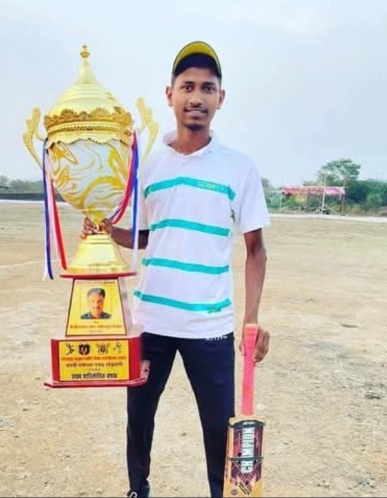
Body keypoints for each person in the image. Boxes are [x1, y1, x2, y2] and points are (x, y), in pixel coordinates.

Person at [82, 40, 270, 498]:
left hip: (210, 325)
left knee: (218, 426)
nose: (197, 97)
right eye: (188, 86)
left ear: (221, 98)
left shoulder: (239, 169)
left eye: (207, 88)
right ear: (170, 95)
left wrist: (251, 319)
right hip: (151, 322)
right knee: (139, 416)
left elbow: (256, 250)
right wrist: (107, 230)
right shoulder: (148, 166)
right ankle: (137, 489)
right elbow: (147, 236)